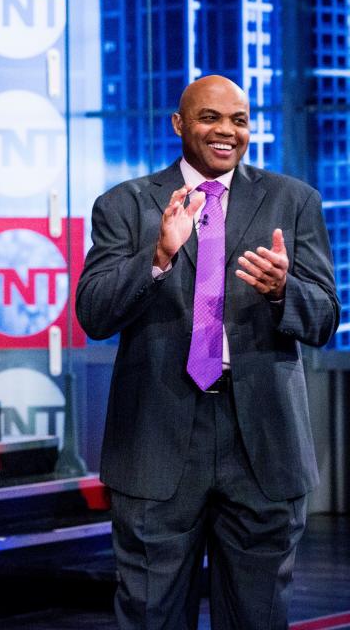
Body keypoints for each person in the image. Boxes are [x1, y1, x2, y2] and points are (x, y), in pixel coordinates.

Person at [76, 75, 339, 629]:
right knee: (150, 615)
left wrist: (282, 291)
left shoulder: (293, 201)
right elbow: (94, 314)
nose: (226, 131)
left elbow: (324, 319)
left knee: (258, 616)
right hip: (156, 440)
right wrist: (156, 256)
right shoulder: (126, 204)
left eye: (238, 121)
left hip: (263, 444)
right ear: (178, 124)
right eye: (209, 118)